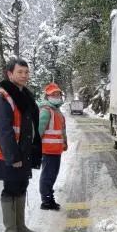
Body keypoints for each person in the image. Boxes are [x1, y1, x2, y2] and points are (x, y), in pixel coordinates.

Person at [0, 58, 41, 232]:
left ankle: (20, 226)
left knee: (22, 185)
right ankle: (10, 231)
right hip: (7, 154)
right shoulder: (2, 97)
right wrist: (13, 156)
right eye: (20, 72)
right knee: (10, 189)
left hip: (22, 151)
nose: (24, 75)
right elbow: (3, 131)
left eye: (26, 72)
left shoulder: (22, 95)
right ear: (10, 74)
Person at [38, 82, 67, 210]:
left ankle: (48, 198)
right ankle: (46, 201)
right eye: (53, 94)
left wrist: (64, 142)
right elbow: (39, 130)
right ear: (47, 96)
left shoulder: (56, 110)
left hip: (55, 150)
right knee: (48, 176)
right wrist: (34, 147)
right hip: (48, 150)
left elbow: (61, 130)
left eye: (58, 94)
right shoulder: (46, 110)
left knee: (52, 175)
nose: (56, 96)